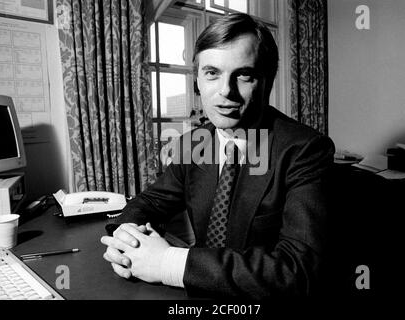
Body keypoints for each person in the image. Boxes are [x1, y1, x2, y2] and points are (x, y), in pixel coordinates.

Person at [101, 13, 335, 299]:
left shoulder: (305, 149)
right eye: (212, 73)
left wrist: (167, 263)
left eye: (244, 75)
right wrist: (127, 235)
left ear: (268, 81)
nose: (226, 92)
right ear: (198, 80)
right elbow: (150, 201)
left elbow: (297, 271)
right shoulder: (194, 143)